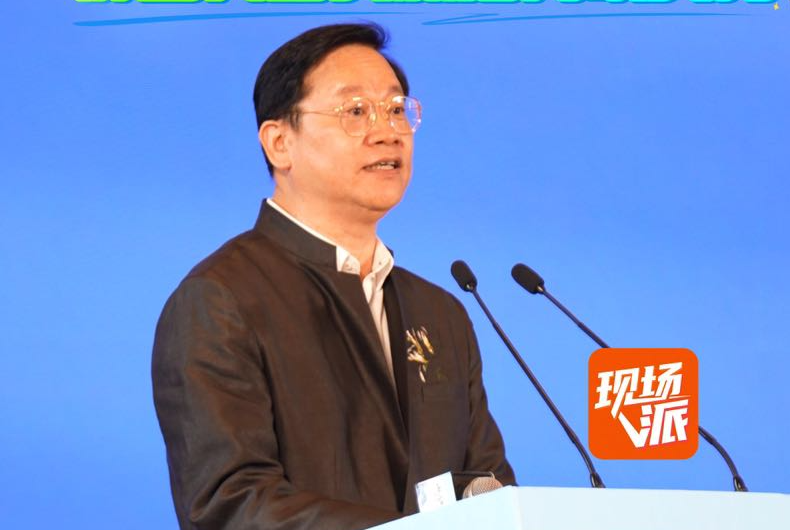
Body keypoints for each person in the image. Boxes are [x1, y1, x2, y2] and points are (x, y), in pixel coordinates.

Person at [152, 22, 515, 530]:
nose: (387, 131)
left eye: (396, 109)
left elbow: (486, 487)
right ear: (280, 143)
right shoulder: (222, 300)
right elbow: (230, 504)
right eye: (355, 111)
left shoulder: (441, 314)